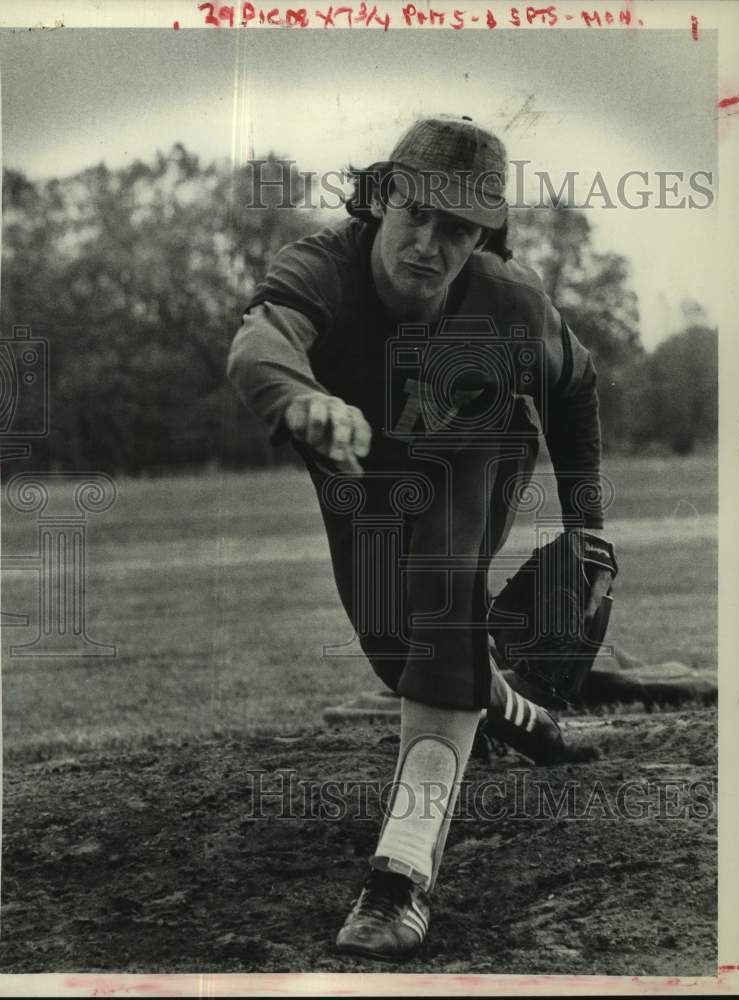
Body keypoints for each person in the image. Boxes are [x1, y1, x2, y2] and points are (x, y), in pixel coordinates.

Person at [227, 114, 614, 961]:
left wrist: (588, 526)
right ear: (379, 202)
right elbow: (258, 342)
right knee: (396, 656)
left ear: (483, 237)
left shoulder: (511, 299)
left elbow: (577, 387)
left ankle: (399, 875)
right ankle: (517, 710)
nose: (431, 244)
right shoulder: (323, 265)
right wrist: (301, 397)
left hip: (472, 445)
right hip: (359, 463)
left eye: (459, 229)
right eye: (416, 215)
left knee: (443, 598)